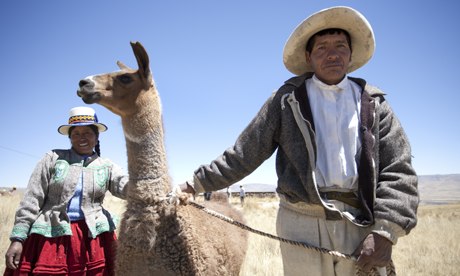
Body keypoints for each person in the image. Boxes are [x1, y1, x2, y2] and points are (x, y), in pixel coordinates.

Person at [180, 6, 419, 275]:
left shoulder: (374, 104)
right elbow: (243, 154)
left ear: (350, 54)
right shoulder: (285, 101)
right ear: (308, 56)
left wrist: (385, 232)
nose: (332, 54)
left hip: (361, 222)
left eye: (340, 46)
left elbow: (399, 170)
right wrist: (194, 184)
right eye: (321, 48)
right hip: (301, 223)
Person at [4, 106, 128, 276]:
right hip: (50, 237)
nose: (81, 138)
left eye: (87, 133)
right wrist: (17, 239)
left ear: (97, 136)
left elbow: (126, 186)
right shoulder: (53, 159)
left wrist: (150, 185)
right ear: (69, 137)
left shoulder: (106, 166)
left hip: (94, 239)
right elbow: (32, 199)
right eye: (76, 133)